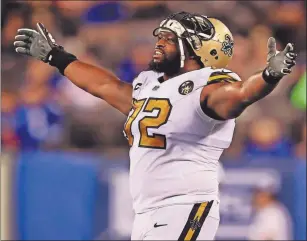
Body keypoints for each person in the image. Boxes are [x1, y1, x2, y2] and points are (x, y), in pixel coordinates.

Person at [13, 11, 297, 240]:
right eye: (160, 37)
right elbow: (105, 86)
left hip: (185, 204)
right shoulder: (151, 85)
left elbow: (241, 94)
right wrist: (57, 57)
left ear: (196, 50)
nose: (159, 43)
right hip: (148, 211)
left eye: (169, 39)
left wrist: (269, 76)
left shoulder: (207, 86)